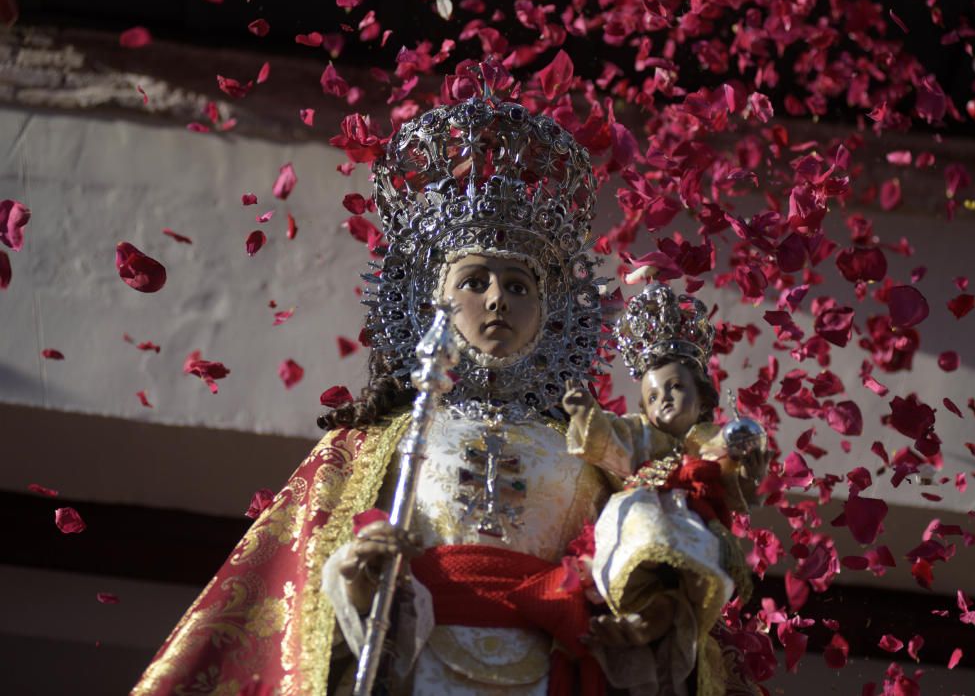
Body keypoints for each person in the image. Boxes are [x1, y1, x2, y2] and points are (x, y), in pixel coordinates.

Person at [133, 96, 757, 696]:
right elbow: (306, 595)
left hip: (555, 671)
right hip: (416, 660)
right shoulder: (379, 445)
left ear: (550, 312)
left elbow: (646, 568)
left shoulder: (592, 445)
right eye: (475, 280)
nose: (496, 300)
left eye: (518, 285)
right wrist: (356, 577)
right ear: (432, 299)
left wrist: (655, 595)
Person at [562, 282, 767, 695]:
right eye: (652, 396)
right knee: (636, 521)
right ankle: (642, 613)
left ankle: (655, 616)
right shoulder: (641, 436)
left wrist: (748, 469)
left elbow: (734, 478)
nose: (663, 400)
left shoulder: (713, 438)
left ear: (702, 395)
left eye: (675, 387)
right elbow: (609, 443)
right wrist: (586, 414)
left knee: (681, 587)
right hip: (643, 522)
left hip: (696, 530)